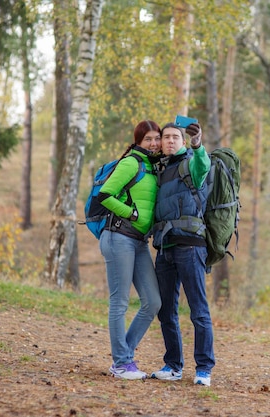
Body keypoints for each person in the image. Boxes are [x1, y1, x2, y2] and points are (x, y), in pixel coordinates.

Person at [149, 122, 215, 387]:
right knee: (166, 310)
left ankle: (204, 370)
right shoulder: (159, 169)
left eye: (176, 137)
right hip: (165, 248)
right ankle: (174, 365)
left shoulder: (192, 164)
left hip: (190, 246)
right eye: (166, 137)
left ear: (183, 141)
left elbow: (203, 165)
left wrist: (198, 143)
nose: (170, 141)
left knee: (198, 310)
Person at [97, 120, 162, 380]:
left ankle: (125, 355)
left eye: (157, 138)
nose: (154, 143)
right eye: (148, 139)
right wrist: (131, 213)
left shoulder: (153, 167)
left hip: (138, 241)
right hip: (118, 237)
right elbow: (105, 194)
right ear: (138, 141)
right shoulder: (130, 163)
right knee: (120, 301)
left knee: (153, 301)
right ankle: (122, 363)